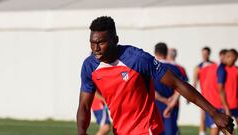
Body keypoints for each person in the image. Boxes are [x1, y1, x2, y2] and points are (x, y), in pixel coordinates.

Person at [77, 16, 234, 135]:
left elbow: (177, 84)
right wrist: (81, 132)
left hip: (148, 130)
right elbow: (84, 105)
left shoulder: (137, 59)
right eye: (92, 43)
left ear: (115, 40)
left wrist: (214, 113)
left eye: (101, 43)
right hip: (120, 131)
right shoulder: (89, 66)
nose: (96, 48)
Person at [203, 49, 238, 135]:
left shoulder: (213, 67)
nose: (234, 62)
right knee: (223, 130)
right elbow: (220, 88)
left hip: (217, 104)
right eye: (233, 60)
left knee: (226, 130)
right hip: (218, 105)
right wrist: (226, 107)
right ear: (228, 57)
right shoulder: (220, 69)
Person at [153, 43, 184, 135]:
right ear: (166, 53)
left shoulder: (151, 68)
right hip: (172, 107)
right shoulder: (177, 68)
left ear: (155, 52)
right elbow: (180, 88)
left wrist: (164, 100)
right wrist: (171, 103)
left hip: (156, 107)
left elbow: (149, 90)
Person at [193, 46, 214, 135]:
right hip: (204, 96)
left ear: (209, 54)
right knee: (203, 117)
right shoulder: (198, 67)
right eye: (203, 54)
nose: (204, 55)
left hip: (214, 96)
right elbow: (195, 82)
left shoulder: (214, 65)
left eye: (206, 54)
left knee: (216, 115)